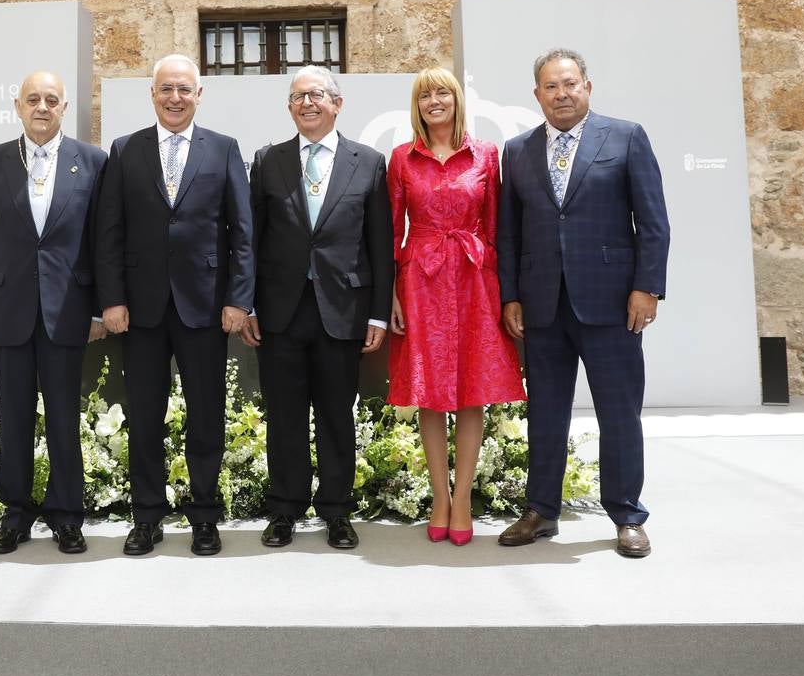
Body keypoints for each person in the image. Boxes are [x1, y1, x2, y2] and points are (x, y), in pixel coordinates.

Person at [496, 48, 670, 558]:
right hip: (542, 306)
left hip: (612, 304)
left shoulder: (625, 137)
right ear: (537, 95)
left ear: (587, 87)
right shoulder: (517, 150)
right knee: (546, 414)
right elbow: (509, 233)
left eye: (569, 84)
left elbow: (653, 221)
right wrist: (510, 294)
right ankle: (541, 510)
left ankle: (627, 514)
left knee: (619, 413)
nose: (561, 94)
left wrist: (647, 287)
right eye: (551, 87)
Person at [96, 53, 254, 556]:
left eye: (184, 89)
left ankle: (204, 517)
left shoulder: (225, 149)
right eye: (166, 88)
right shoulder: (125, 149)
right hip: (139, 310)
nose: (175, 98)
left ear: (199, 94)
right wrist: (112, 300)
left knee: (206, 415)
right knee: (144, 416)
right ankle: (146, 517)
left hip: (206, 308)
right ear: (153, 94)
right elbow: (110, 232)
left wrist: (238, 300)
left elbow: (242, 233)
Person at [241, 66, 392, 550]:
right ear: (289, 107)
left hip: (342, 309)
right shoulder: (268, 160)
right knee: (283, 415)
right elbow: (250, 240)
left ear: (337, 103)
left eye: (317, 95)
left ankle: (336, 511)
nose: (307, 103)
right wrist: (247, 305)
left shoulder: (367, 162)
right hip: (279, 310)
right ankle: (284, 509)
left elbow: (379, 243)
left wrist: (377, 313)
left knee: (334, 414)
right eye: (298, 96)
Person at [0, 71, 108, 556]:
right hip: (8, 312)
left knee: (65, 419)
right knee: (11, 419)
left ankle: (67, 515)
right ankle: (15, 513)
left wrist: (96, 308)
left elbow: (100, 242)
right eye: (33, 99)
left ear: (65, 107)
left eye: (52, 99)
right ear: (18, 105)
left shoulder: (92, 161)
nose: (42, 107)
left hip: (67, 310)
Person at [386, 68, 526, 546]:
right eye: (425, 95)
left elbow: (495, 230)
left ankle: (462, 496)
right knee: (429, 392)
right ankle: (438, 496)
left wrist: (505, 292)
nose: (434, 100)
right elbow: (390, 231)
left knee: (470, 390)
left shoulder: (485, 154)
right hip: (420, 281)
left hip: (473, 279)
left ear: (457, 99)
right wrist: (391, 294)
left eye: (442, 91)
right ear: (417, 106)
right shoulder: (402, 158)